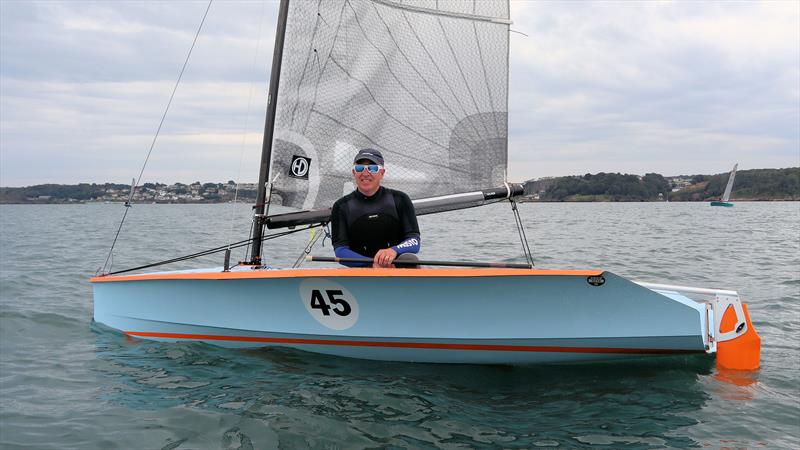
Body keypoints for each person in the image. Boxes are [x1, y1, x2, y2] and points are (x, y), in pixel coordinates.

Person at [330, 148, 420, 268]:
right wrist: (372, 263)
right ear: (354, 172)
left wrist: (393, 251)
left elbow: (414, 241)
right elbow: (340, 251)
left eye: (372, 168)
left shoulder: (400, 199)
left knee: (410, 259)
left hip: (396, 267)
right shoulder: (341, 206)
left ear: (382, 173)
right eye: (360, 168)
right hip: (363, 270)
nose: (365, 173)